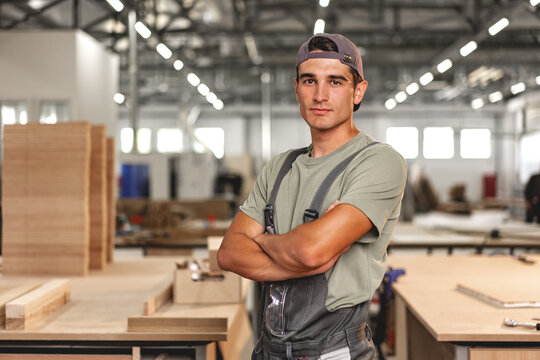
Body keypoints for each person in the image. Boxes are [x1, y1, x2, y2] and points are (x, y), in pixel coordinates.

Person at [218, 33, 407, 360]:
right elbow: (229, 253)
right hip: (268, 349)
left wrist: (264, 238)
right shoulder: (280, 166)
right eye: (309, 81)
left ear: (358, 91)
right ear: (296, 89)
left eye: (335, 81)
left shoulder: (378, 161)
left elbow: (309, 250)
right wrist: (301, 259)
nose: (320, 95)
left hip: (334, 351)